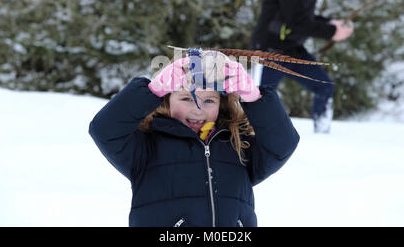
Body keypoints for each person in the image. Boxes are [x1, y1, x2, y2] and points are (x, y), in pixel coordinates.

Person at [89, 50, 299, 227]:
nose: (198, 110)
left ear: (222, 104)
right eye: (186, 98)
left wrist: (254, 97)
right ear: (167, 100)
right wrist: (152, 90)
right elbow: (104, 130)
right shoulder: (145, 147)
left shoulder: (238, 144)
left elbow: (282, 144)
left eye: (209, 100)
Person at [250, 0, 353, 133]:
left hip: (291, 48)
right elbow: (296, 20)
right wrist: (330, 32)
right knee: (256, 99)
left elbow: (301, 17)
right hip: (269, 51)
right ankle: (247, 140)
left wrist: (331, 24)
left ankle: (323, 138)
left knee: (324, 87)